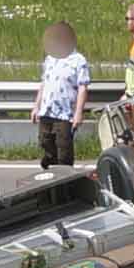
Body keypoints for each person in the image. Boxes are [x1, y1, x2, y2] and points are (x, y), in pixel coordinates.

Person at [31, 21, 91, 169]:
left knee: (63, 153)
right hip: (47, 111)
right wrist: (36, 106)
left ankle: (65, 186)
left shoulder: (78, 60)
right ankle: (49, 182)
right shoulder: (50, 58)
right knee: (46, 145)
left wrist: (78, 113)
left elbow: (83, 87)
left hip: (65, 114)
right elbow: (44, 83)